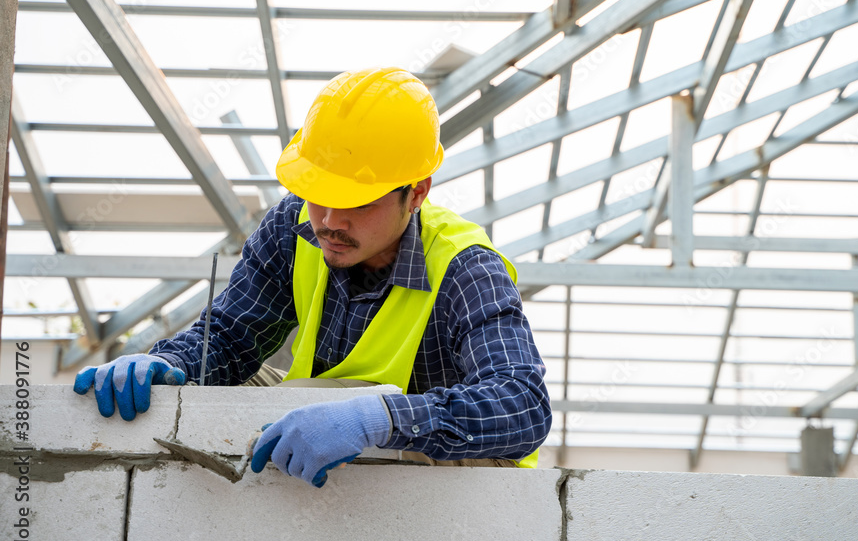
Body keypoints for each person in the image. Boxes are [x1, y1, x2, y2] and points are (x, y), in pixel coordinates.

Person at [73, 67, 552, 487]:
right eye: (318, 192)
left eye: (357, 201)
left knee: (343, 415)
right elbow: (229, 337)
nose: (329, 221)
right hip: (332, 423)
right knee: (204, 386)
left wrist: (380, 418)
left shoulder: (466, 268)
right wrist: (169, 364)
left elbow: (522, 403)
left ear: (417, 192)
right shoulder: (294, 226)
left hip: (452, 474)